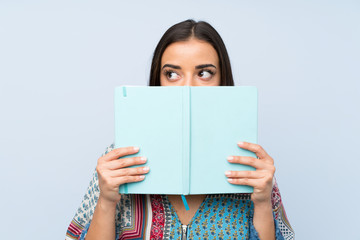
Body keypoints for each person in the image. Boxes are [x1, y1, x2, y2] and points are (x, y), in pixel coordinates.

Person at [66, 19, 294, 240]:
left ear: (222, 80)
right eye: (172, 74)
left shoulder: (251, 165)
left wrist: (263, 203)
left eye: (204, 73)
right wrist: (106, 200)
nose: (187, 87)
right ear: (158, 80)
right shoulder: (118, 160)